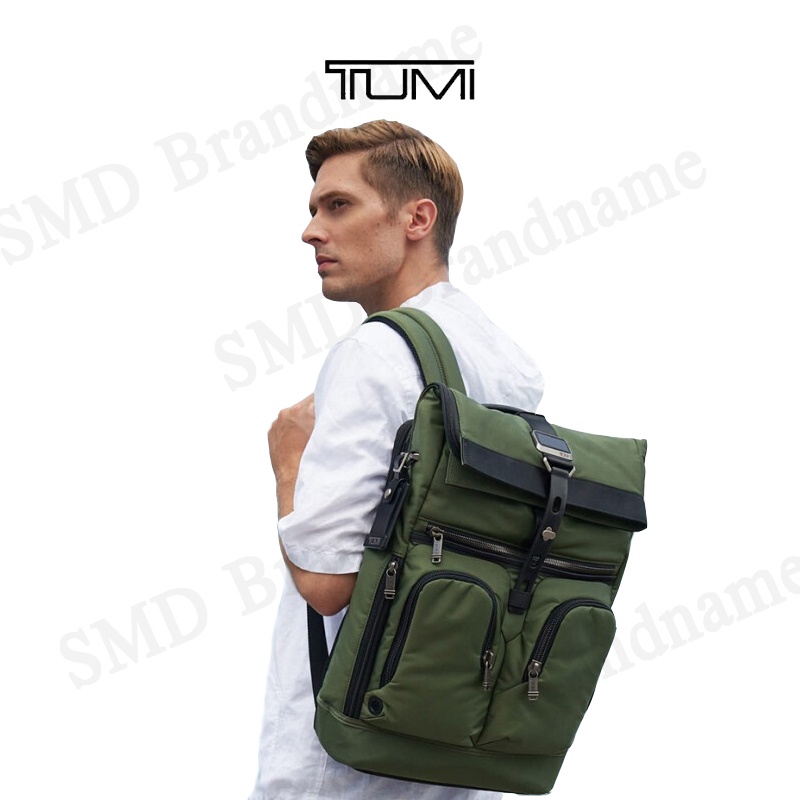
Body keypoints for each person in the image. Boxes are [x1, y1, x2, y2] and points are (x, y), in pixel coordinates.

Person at [248, 120, 545, 800]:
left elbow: (327, 583)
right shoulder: (499, 355)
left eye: (339, 205)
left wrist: (288, 460)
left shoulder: (373, 353)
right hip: (453, 750)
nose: (312, 231)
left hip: (347, 764)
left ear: (417, 219)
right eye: (314, 209)